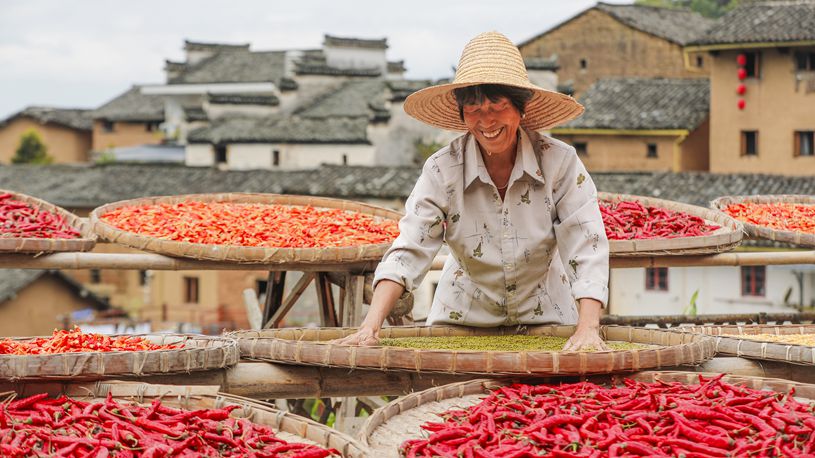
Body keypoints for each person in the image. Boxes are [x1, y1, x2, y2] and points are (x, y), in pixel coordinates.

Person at [336, 31, 609, 351]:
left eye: (498, 105)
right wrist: (370, 326)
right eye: (474, 108)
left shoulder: (558, 162)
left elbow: (585, 242)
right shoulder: (442, 170)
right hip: (462, 319)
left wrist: (588, 328)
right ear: (462, 115)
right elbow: (410, 246)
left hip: (546, 317)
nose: (486, 120)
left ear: (520, 110)